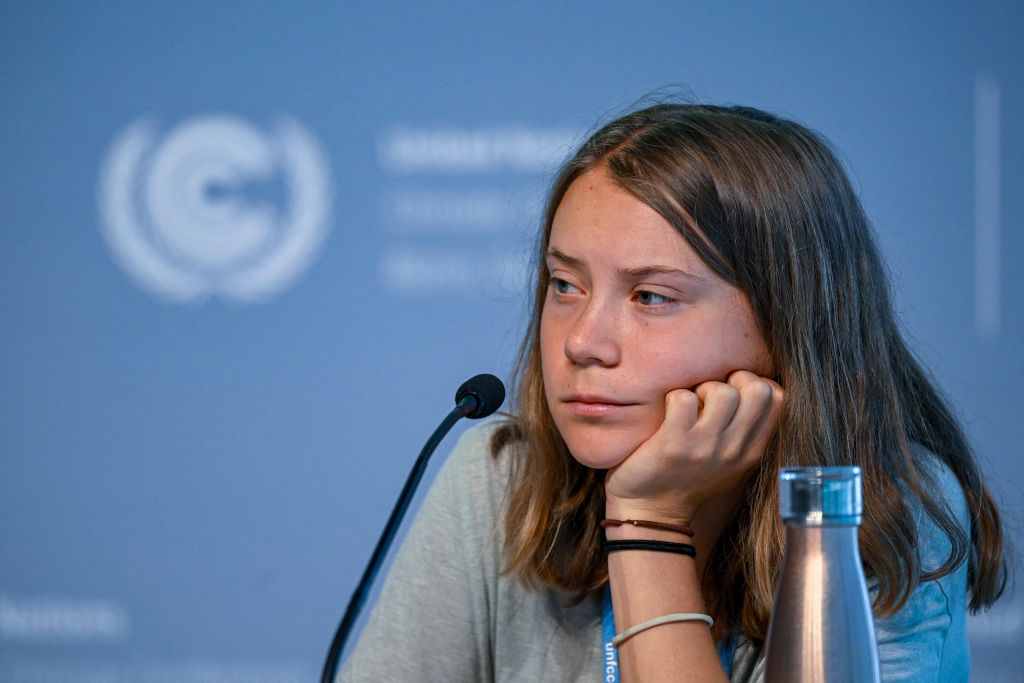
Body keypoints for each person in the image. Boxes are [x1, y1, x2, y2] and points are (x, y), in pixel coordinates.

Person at [338, 103, 1006, 681]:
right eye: (564, 285)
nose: (582, 342)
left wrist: (647, 525)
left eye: (651, 296)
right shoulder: (500, 474)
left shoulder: (880, 510)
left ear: (786, 324)